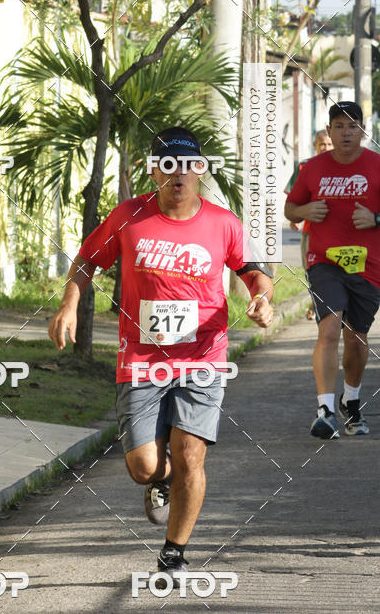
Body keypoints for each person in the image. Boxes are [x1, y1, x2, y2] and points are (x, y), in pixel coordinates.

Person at [48, 126, 274, 583]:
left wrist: (262, 298)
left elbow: (256, 271)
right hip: (141, 361)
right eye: (168, 165)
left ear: (200, 171)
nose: (179, 174)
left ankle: (174, 553)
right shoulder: (129, 217)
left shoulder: (223, 223)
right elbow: (89, 259)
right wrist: (69, 303)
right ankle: (161, 480)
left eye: (189, 165)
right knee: (144, 467)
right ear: (154, 171)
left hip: (203, 357)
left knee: (191, 453)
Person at [285, 101, 380, 439]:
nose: (345, 133)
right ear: (329, 131)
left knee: (356, 340)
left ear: (363, 130)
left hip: (368, 266)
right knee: (328, 329)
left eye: (352, 126)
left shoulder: (377, 165)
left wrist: (375, 219)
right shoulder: (312, 168)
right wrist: (305, 209)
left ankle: (350, 402)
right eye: (338, 126)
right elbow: (291, 210)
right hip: (324, 262)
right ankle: (324, 410)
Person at [285, 130, 333, 319]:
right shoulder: (305, 167)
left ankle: (323, 304)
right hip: (310, 232)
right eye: (322, 144)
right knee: (311, 271)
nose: (326, 148)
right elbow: (294, 200)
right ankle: (316, 302)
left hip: (337, 233)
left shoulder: (343, 166)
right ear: (315, 146)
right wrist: (293, 218)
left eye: (329, 144)